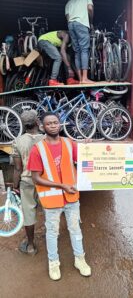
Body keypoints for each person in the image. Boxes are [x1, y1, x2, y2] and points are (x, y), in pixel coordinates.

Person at [27, 112, 91, 281]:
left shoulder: (70, 144)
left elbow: (84, 161)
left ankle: (80, 259)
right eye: (49, 123)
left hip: (71, 198)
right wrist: (61, 186)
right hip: (52, 200)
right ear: (43, 127)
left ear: (60, 124)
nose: (53, 125)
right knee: (52, 232)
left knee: (75, 229)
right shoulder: (37, 149)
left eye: (56, 122)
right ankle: (53, 263)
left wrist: (88, 148)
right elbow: (35, 177)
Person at [12, 110, 44, 255]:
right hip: (45, 181)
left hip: (27, 181)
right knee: (50, 211)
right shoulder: (45, 139)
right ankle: (52, 239)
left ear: (24, 125)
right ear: (37, 122)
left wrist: (14, 186)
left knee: (29, 213)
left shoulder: (17, 142)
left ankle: (30, 246)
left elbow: (18, 168)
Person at [65, 0, 94, 83]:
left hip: (71, 24)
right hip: (81, 23)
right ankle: (85, 78)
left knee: (77, 51)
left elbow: (67, 17)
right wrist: (91, 21)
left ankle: (81, 79)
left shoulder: (68, 2)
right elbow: (90, 8)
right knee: (84, 50)